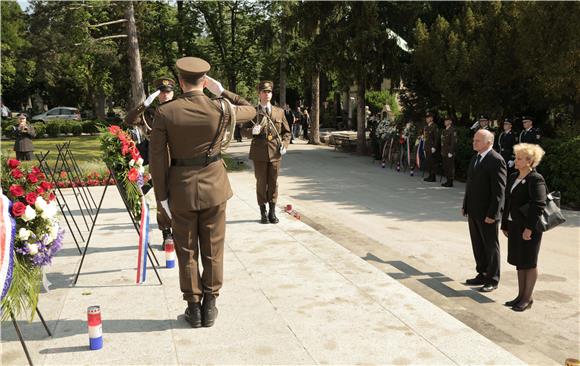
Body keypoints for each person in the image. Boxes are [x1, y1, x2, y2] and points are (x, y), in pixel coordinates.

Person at [149, 57, 256, 328]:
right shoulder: (220, 108)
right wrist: (222, 92)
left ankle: (193, 308)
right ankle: (211, 305)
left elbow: (158, 159)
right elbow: (251, 110)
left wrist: (161, 198)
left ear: (181, 82)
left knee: (186, 251)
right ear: (205, 82)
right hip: (215, 188)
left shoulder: (166, 112)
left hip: (181, 188)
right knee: (213, 248)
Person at [125, 77, 175, 249]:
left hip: (178, 161)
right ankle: (167, 233)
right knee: (162, 199)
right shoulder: (150, 114)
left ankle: (181, 232)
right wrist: (145, 104)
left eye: (168, 91)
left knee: (179, 199)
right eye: (161, 92)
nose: (165, 95)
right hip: (158, 162)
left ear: (173, 93)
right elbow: (129, 120)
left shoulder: (180, 109)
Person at [500, 143, 547, 312]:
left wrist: (529, 228)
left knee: (529, 262)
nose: (516, 161)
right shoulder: (513, 177)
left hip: (529, 228)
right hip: (514, 225)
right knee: (520, 262)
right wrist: (505, 223)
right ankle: (520, 296)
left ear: (530, 161)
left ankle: (527, 298)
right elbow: (508, 202)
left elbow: (538, 204)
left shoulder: (536, 178)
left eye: (519, 158)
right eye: (516, 157)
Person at [462, 129, 507, 292]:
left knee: (490, 245)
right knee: (478, 244)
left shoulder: (496, 160)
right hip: (474, 210)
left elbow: (499, 191)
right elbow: (470, 184)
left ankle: (492, 279)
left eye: (477, 140)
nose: (474, 143)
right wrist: (465, 204)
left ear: (489, 142)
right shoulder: (475, 158)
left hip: (487, 213)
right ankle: (482, 273)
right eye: (474, 140)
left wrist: (493, 214)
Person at [245, 80, 291, 224]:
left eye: (269, 91)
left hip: (275, 152)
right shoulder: (253, 111)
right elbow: (241, 131)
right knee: (261, 182)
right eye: (264, 92)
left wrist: (284, 144)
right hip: (259, 153)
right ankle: (263, 212)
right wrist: (252, 131)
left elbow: (287, 132)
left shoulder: (279, 111)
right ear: (259, 94)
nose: (267, 94)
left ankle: (272, 212)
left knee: (273, 182)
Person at [440, 115, 457, 187]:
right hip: (444, 151)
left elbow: (453, 142)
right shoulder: (444, 130)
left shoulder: (453, 130)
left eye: (447, 120)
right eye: (445, 121)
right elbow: (442, 142)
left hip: (449, 152)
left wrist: (451, 151)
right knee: (446, 166)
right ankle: (447, 180)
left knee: (450, 167)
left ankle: (450, 181)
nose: (445, 122)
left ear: (450, 122)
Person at [423, 112, 439, 182]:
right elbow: (425, 137)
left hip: (431, 147)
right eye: (426, 118)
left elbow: (436, 138)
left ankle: (433, 177)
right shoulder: (426, 127)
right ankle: (430, 175)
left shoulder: (434, 126)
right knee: (428, 162)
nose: (427, 119)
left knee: (432, 162)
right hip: (427, 146)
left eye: (428, 118)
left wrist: (434, 147)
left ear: (431, 118)